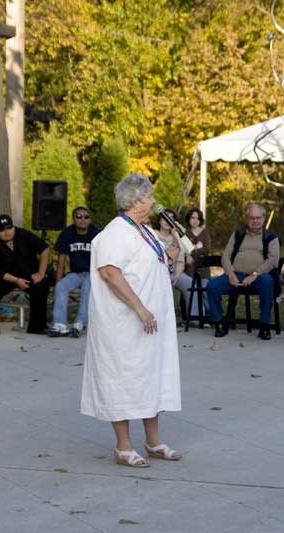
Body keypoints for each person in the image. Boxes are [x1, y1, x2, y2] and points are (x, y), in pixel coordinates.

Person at [81, 173, 182, 468]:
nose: (153, 202)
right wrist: (140, 309)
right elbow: (110, 273)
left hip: (151, 323)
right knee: (123, 378)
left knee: (152, 376)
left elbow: (152, 260)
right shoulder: (116, 232)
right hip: (124, 322)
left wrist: (176, 246)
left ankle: (153, 440)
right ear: (135, 201)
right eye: (149, 197)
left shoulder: (144, 230)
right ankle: (123, 446)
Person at [206, 203, 279, 340]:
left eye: (258, 218)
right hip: (236, 274)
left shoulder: (270, 236)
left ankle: (264, 326)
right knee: (212, 286)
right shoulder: (238, 234)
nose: (255, 221)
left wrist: (254, 275)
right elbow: (226, 256)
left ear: (263, 218)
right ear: (247, 218)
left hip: (259, 276)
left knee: (268, 282)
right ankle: (219, 322)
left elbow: (272, 261)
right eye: (252, 218)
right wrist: (230, 273)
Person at [0, 215, 50, 336]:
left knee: (42, 285)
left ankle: (37, 326)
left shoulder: (23, 234)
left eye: (9, 228)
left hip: (28, 275)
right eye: (2, 230)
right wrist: (16, 280)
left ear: (13, 227)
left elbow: (44, 249)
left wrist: (41, 273)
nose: (7, 232)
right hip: (7, 277)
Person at [48, 207, 100, 338]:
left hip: (92, 274)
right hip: (75, 273)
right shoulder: (67, 233)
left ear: (90, 219)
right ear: (73, 219)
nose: (83, 219)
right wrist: (58, 282)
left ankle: (79, 323)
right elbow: (61, 260)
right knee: (61, 286)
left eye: (86, 217)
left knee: (88, 287)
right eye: (79, 216)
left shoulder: (97, 233)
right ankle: (60, 325)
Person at [153, 209, 197, 318]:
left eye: (171, 218)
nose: (168, 221)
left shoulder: (177, 236)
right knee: (167, 284)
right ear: (159, 220)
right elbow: (165, 257)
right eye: (165, 218)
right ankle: (167, 319)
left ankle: (194, 317)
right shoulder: (153, 235)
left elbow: (182, 258)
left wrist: (177, 275)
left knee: (190, 284)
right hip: (159, 272)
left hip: (175, 271)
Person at [183, 207, 211, 318]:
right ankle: (198, 317)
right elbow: (184, 249)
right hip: (190, 269)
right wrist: (191, 253)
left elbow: (207, 250)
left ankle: (211, 314)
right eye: (192, 218)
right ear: (189, 219)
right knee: (193, 292)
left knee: (205, 291)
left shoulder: (205, 232)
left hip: (203, 269)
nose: (195, 220)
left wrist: (192, 252)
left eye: (198, 218)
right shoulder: (185, 233)